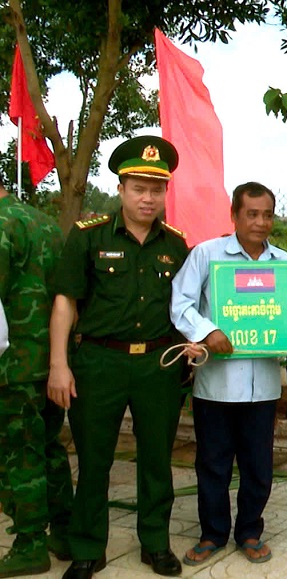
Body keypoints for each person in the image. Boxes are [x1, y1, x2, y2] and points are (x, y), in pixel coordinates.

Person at [47, 136, 190, 579]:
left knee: (155, 460)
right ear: (121, 188)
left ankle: (155, 543)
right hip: (98, 363)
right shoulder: (88, 239)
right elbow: (65, 302)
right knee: (93, 459)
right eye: (138, 188)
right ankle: (89, 547)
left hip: (158, 365)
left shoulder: (177, 245)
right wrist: (58, 364)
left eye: (156, 189)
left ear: (166, 192)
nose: (148, 198)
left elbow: (187, 306)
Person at [170, 182, 287, 566]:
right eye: (252, 214)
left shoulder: (285, 263)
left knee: (258, 464)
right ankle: (212, 534)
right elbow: (181, 303)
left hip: (263, 386)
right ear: (235, 215)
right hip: (216, 386)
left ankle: (250, 532)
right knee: (213, 463)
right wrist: (207, 331)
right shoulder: (208, 256)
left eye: (267, 214)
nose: (260, 222)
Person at [0, 184, 74, 577]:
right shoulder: (45, 224)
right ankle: (63, 532)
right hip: (50, 362)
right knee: (47, 447)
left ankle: (29, 543)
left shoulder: (1, 225)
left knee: (17, 454)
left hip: (10, 368)